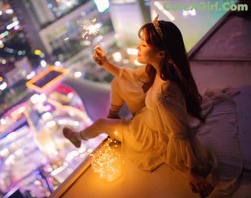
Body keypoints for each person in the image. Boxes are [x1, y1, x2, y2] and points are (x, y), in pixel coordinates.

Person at [63, 17, 214, 197]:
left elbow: (180, 133)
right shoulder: (164, 68)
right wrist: (105, 63)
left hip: (148, 133)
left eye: (143, 45)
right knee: (119, 82)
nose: (137, 47)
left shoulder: (164, 96)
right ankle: (113, 117)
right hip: (147, 116)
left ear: (161, 53)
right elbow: (128, 76)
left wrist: (194, 171)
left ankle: (78, 137)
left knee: (102, 123)